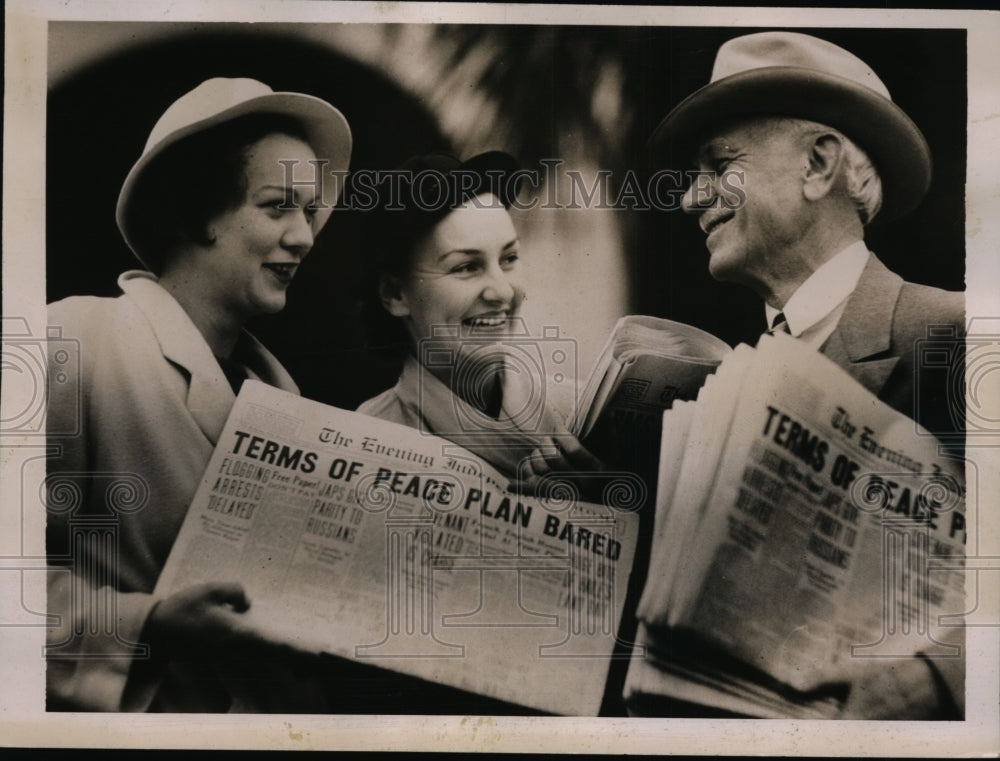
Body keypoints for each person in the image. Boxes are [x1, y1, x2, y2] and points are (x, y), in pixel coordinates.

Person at [647, 31, 964, 718]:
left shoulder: (950, 334)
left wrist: (936, 677)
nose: (688, 197)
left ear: (819, 164)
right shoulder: (723, 386)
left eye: (719, 163)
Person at [45, 77, 352, 711]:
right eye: (278, 207)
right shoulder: (76, 339)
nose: (306, 237)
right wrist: (149, 623)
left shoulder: (282, 398)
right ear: (197, 210)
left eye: (310, 210)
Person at [357, 151, 601, 489]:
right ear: (395, 294)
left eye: (509, 258)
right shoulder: (364, 440)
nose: (501, 292)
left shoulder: (583, 417)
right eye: (466, 267)